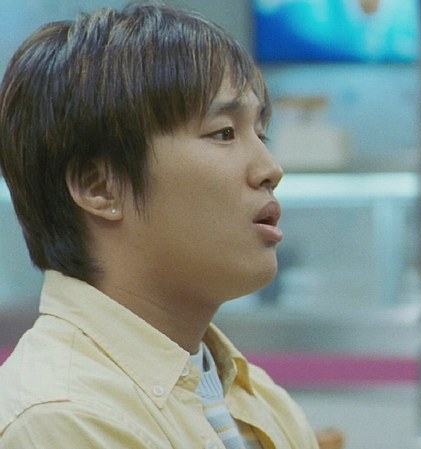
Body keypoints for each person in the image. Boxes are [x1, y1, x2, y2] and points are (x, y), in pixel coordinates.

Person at [0, 2, 320, 448]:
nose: (270, 168)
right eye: (224, 133)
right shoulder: (62, 419)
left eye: (260, 133)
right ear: (100, 188)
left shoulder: (255, 395)